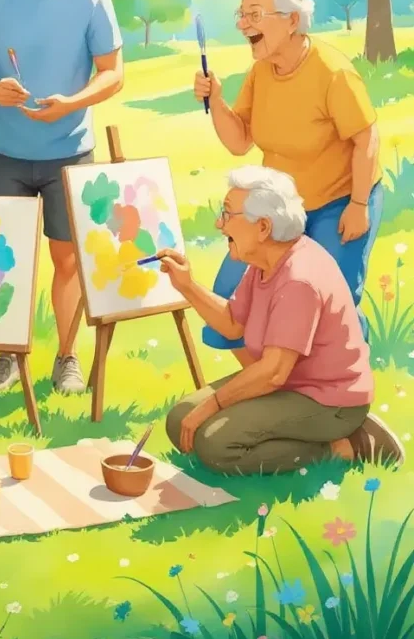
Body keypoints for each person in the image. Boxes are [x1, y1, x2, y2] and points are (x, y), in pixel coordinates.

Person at [0, 0, 123, 395]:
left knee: (68, 260)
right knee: (4, 259)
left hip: (69, 153)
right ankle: (9, 357)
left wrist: (72, 103)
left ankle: (67, 357)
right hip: (7, 152)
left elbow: (113, 74)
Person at [161, 166, 403, 474]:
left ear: (263, 226)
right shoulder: (266, 260)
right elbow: (234, 323)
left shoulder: (298, 280)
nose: (219, 224)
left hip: (328, 401)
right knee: (181, 419)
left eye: (227, 215)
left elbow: (273, 373)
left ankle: (349, 445)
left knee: (214, 444)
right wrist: (188, 286)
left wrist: (212, 405)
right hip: (288, 385)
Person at [193, 0, 382, 357]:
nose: (244, 24)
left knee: (330, 304)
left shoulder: (333, 72)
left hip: (340, 201)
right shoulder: (261, 71)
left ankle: (346, 382)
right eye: (241, 14)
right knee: (229, 302)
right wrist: (215, 100)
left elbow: (367, 138)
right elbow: (239, 141)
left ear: (292, 20)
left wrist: (359, 205)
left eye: (255, 14)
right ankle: (270, 391)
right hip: (280, 207)